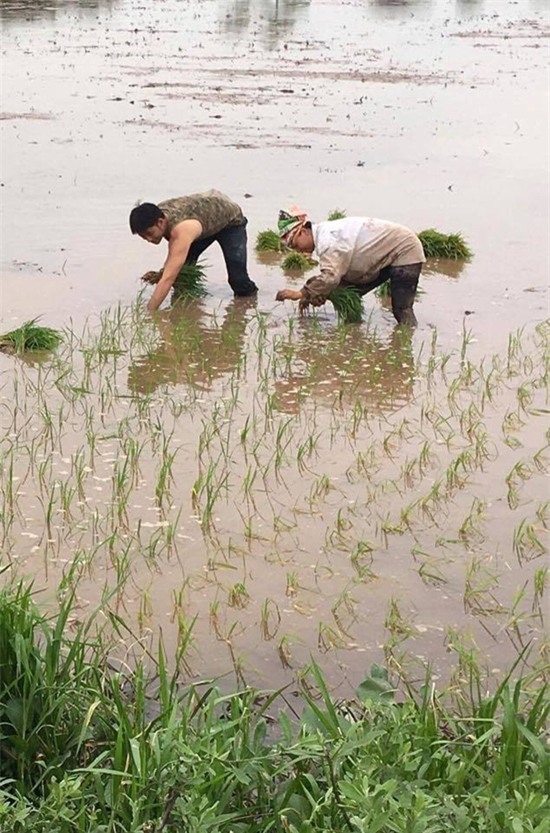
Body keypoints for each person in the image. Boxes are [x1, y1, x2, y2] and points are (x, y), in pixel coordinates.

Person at [275, 209, 425, 326]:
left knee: (401, 309)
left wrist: (300, 293)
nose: (297, 251)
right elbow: (336, 279)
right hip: (380, 257)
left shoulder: (328, 240)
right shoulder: (324, 235)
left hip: (405, 250)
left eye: (295, 245)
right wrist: (316, 294)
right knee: (346, 293)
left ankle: (407, 341)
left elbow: (330, 278)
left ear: (303, 231)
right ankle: (354, 329)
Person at [129, 189, 258, 311]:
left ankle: (249, 305)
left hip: (230, 223)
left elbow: (168, 278)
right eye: (143, 236)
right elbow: (173, 263)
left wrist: (150, 313)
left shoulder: (181, 231)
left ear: (161, 222)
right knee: (181, 277)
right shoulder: (157, 215)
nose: (148, 239)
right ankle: (187, 313)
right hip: (201, 224)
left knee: (238, 280)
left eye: (149, 233)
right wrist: (162, 273)